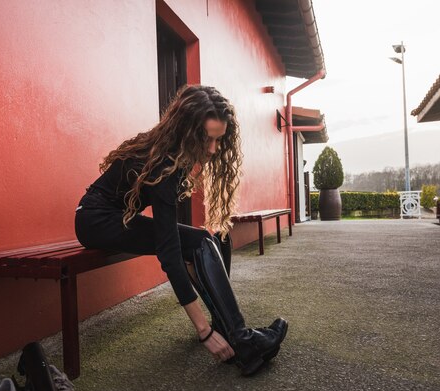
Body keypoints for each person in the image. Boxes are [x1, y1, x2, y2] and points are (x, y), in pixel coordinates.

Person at [75, 85, 287, 376]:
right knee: (199, 244)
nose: (213, 149)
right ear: (187, 130)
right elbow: (169, 253)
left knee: (213, 239)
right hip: (96, 221)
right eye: (207, 139)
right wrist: (202, 332)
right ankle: (240, 338)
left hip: (113, 217)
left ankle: (229, 329)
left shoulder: (172, 155)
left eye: (218, 140)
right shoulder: (163, 167)